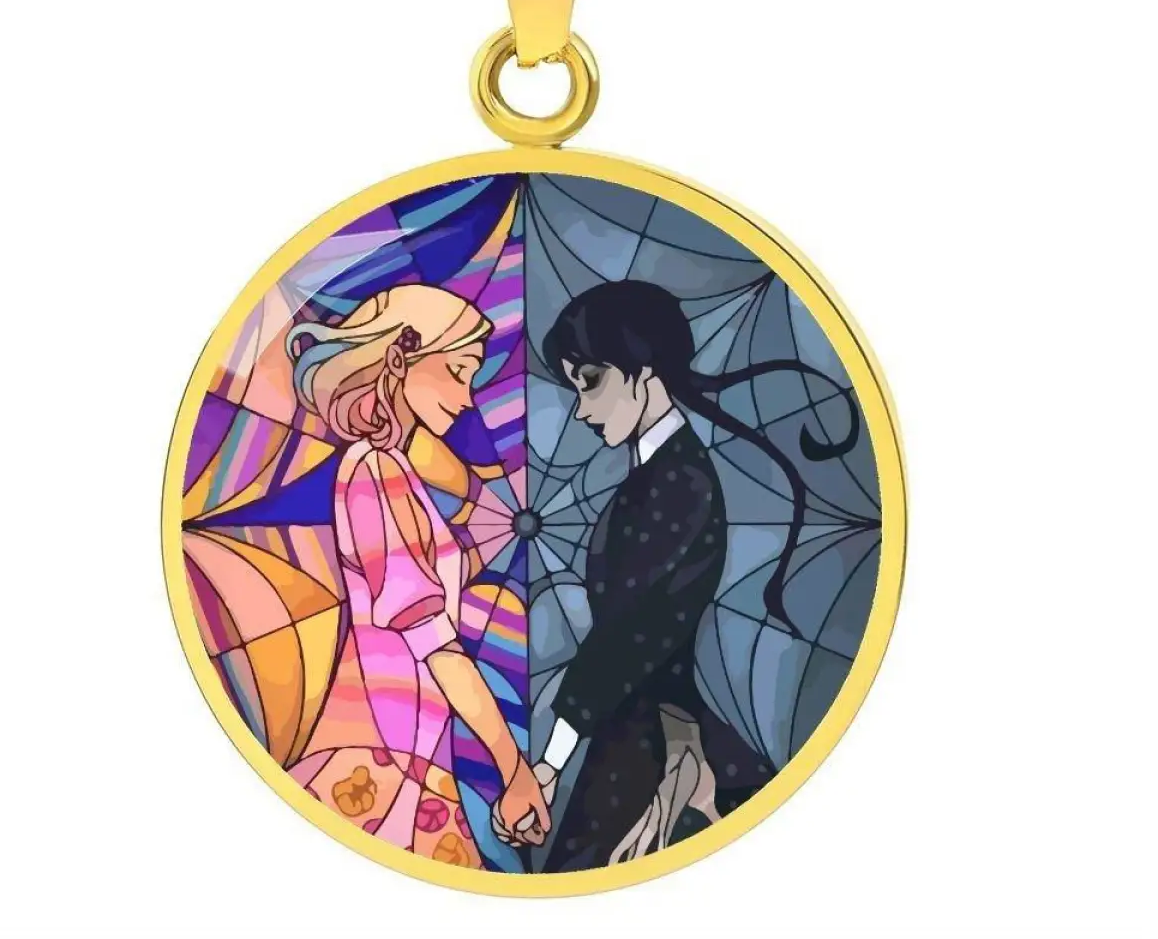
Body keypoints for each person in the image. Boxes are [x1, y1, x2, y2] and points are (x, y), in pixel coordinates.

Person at [520, 280, 858, 870]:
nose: (581, 409)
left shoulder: (678, 486)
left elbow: (629, 636)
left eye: (591, 381)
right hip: (643, 732)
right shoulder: (656, 480)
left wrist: (549, 764)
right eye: (574, 388)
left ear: (644, 372)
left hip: (645, 742)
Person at [284, 285, 549, 865]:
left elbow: (440, 573)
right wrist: (514, 771)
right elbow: (438, 646)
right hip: (384, 752)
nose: (467, 398)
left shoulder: (390, 468)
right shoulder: (377, 475)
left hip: (410, 743)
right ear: (398, 359)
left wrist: (482, 510)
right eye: (457, 372)